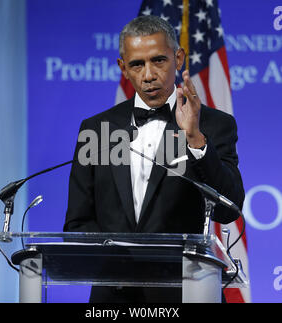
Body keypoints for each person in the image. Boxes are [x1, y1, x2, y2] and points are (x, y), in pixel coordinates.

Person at [63, 15, 245, 303]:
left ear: (179, 58)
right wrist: (122, 265)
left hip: (188, 294)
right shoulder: (98, 129)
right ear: (123, 67)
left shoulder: (214, 125)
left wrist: (195, 139)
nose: (148, 75)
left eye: (158, 60)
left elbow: (229, 210)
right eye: (137, 64)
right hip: (114, 298)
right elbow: (77, 224)